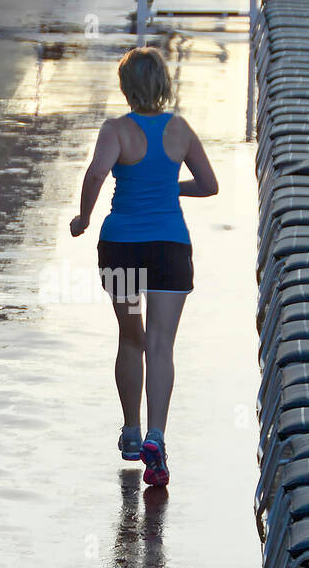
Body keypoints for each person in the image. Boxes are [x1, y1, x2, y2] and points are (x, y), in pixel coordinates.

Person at [69, 47, 218, 487]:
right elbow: (210, 185)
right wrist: (171, 189)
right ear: (164, 84)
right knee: (161, 345)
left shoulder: (116, 130)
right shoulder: (181, 130)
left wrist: (84, 217)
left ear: (125, 87)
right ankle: (157, 435)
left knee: (130, 337)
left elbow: (96, 174)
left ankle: (131, 431)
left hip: (122, 247)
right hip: (170, 246)